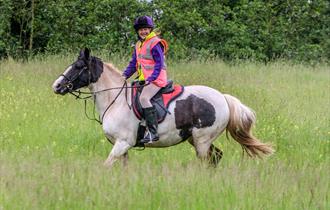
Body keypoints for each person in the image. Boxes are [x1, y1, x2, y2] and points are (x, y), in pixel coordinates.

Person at [122, 16, 169, 144]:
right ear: (137, 31)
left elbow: (159, 63)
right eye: (141, 29)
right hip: (144, 80)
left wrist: (152, 78)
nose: (143, 32)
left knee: (144, 98)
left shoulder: (155, 42)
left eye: (146, 29)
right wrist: (123, 76)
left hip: (157, 79)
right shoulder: (138, 45)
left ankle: (153, 133)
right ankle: (140, 129)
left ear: (150, 29)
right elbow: (133, 64)